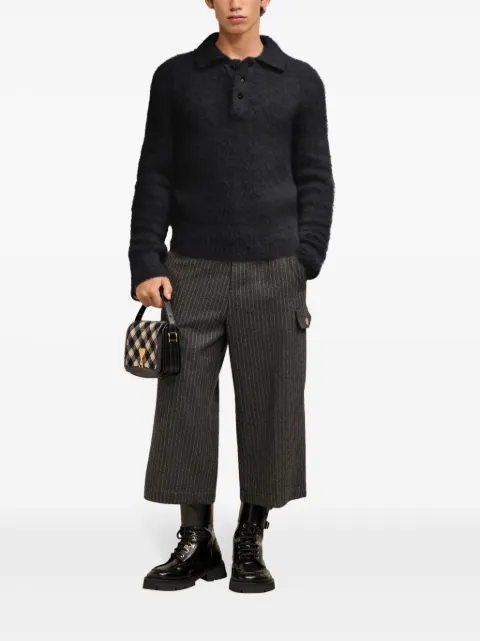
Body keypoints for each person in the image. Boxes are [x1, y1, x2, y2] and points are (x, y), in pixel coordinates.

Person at [128, 0, 335, 594]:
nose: (236, 2)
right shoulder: (175, 77)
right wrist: (147, 260)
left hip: (274, 270)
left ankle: (251, 534)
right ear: (210, 1)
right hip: (189, 269)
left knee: (270, 405)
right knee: (184, 405)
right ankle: (197, 539)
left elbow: (315, 175)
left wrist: (305, 258)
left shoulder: (300, 81)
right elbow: (155, 173)